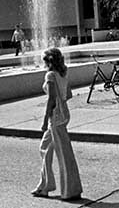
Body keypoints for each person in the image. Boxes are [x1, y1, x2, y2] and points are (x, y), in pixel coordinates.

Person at [31, 47, 82, 201]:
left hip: (56, 116)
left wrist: (45, 120)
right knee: (45, 147)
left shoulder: (51, 75)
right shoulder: (62, 74)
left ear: (49, 61)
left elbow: (51, 99)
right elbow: (69, 94)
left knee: (63, 153)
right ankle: (45, 186)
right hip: (64, 114)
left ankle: (69, 190)